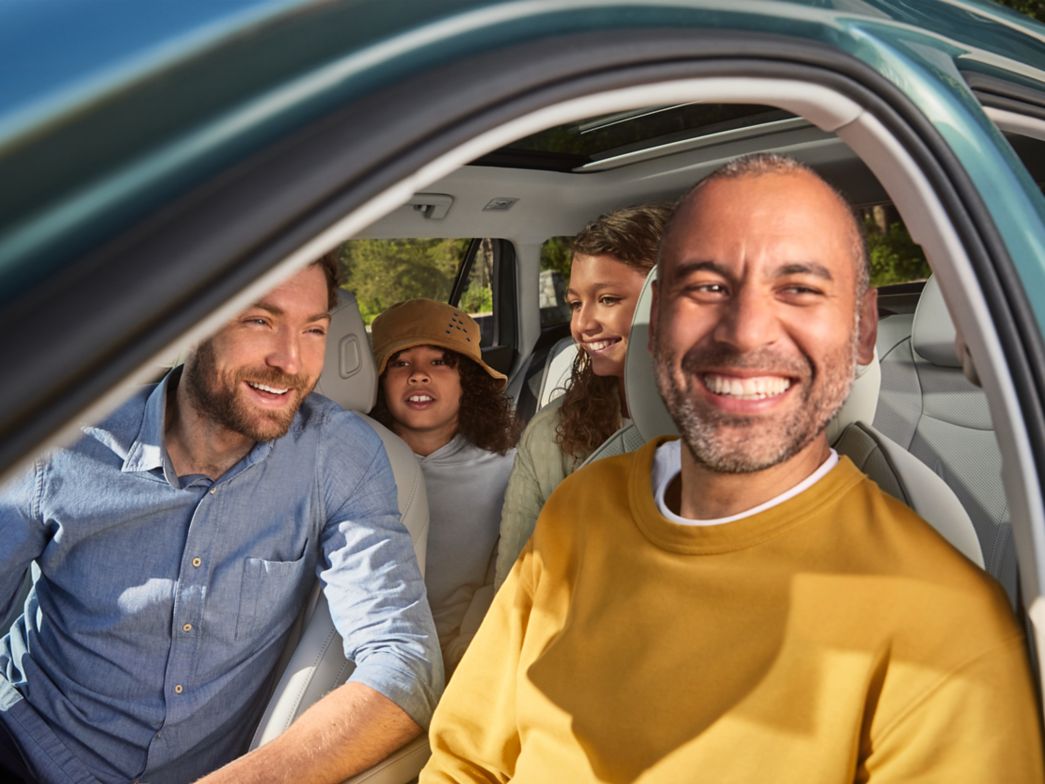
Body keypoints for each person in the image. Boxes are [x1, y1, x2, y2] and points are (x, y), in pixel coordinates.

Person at [420, 153, 1044, 781]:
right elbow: (464, 761)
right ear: (658, 324)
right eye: (706, 288)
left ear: (862, 330)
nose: (745, 332)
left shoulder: (946, 631)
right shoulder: (579, 512)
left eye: (798, 289)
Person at [0, 257, 443, 784]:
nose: (291, 360)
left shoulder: (341, 456)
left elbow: (405, 663)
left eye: (314, 330)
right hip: (27, 744)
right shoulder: (61, 441)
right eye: (259, 320)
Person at [495, 204, 671, 589]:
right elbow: (515, 582)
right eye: (576, 304)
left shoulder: (734, 422)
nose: (582, 324)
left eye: (607, 299)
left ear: (668, 301)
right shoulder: (549, 435)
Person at [370, 299, 519, 673]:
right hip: (371, 659)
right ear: (379, 384)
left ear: (468, 381)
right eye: (400, 363)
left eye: (439, 362)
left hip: (472, 658)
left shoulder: (510, 468)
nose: (419, 375)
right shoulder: (354, 466)